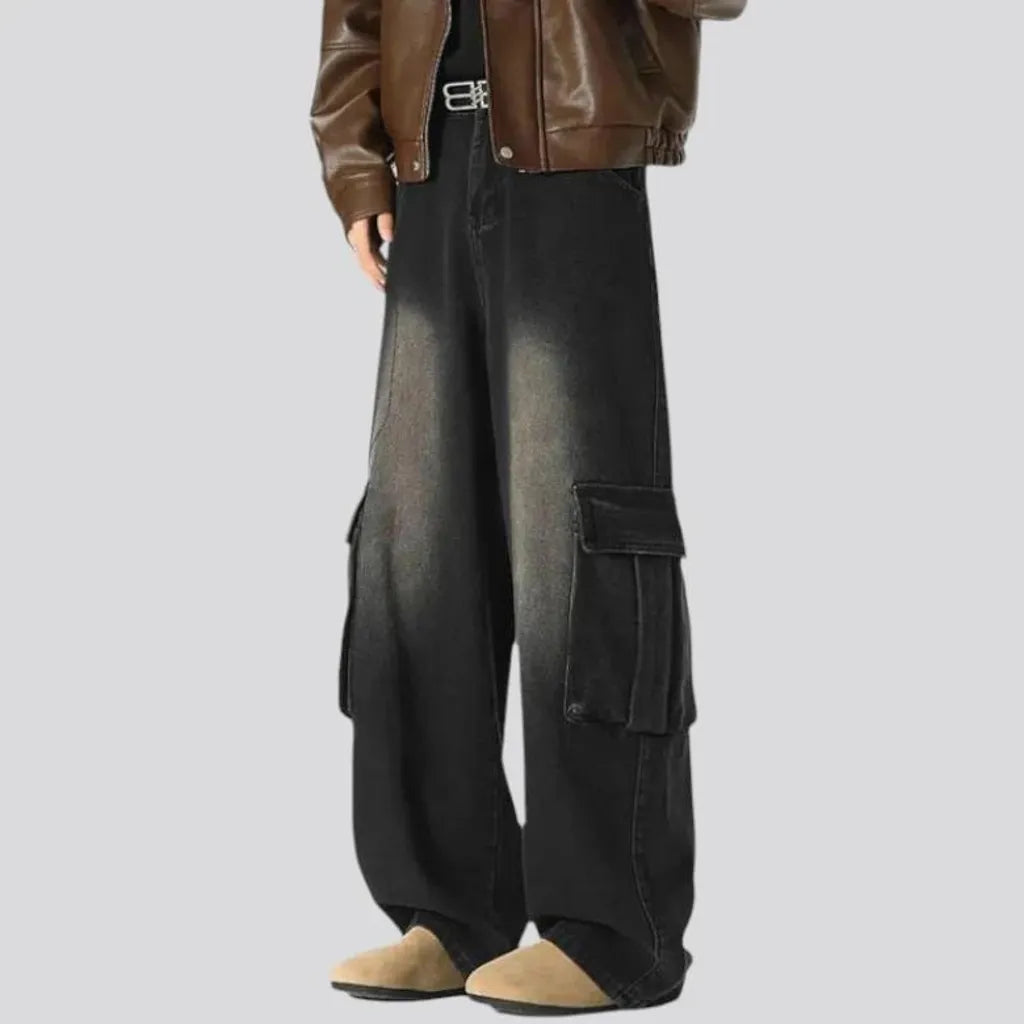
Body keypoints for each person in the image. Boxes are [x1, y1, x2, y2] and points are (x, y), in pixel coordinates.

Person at [310, 0, 746, 1014]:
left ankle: (610, 930)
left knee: (577, 535)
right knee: (416, 539)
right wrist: (358, 167)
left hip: (571, 161)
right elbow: (354, 18)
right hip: (424, 166)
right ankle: (449, 907)